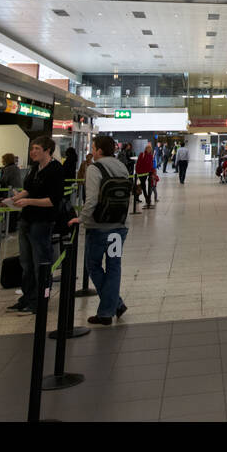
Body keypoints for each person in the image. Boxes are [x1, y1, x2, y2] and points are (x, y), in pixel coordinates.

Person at [6, 136, 65, 314]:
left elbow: (53, 200)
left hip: (42, 221)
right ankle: (28, 296)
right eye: (32, 149)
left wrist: (29, 202)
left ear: (48, 150)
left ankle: (40, 298)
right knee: (26, 261)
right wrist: (14, 199)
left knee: (40, 261)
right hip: (27, 219)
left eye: (37, 148)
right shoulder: (34, 169)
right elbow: (28, 189)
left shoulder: (55, 170)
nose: (33, 152)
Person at [76, 135, 130, 325]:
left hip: (99, 226)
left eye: (93, 147)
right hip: (119, 225)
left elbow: (91, 199)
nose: (92, 150)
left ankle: (108, 310)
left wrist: (81, 218)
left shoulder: (94, 168)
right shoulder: (121, 166)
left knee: (93, 265)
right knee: (114, 266)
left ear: (99, 150)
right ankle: (115, 304)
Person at [0, 152, 23, 233]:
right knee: (14, 211)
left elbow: (4, 180)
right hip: (17, 191)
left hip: (10, 191)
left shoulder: (8, 169)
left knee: (10, 211)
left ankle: (10, 228)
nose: (2, 161)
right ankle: (13, 227)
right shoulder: (16, 167)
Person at [135, 143, 158, 208]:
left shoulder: (150, 156)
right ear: (146, 149)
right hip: (141, 173)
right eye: (148, 148)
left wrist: (153, 171)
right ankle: (147, 199)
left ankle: (148, 200)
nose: (149, 150)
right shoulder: (142, 154)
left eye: (150, 149)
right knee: (143, 186)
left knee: (150, 186)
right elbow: (138, 163)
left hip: (149, 172)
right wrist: (137, 172)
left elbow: (150, 164)